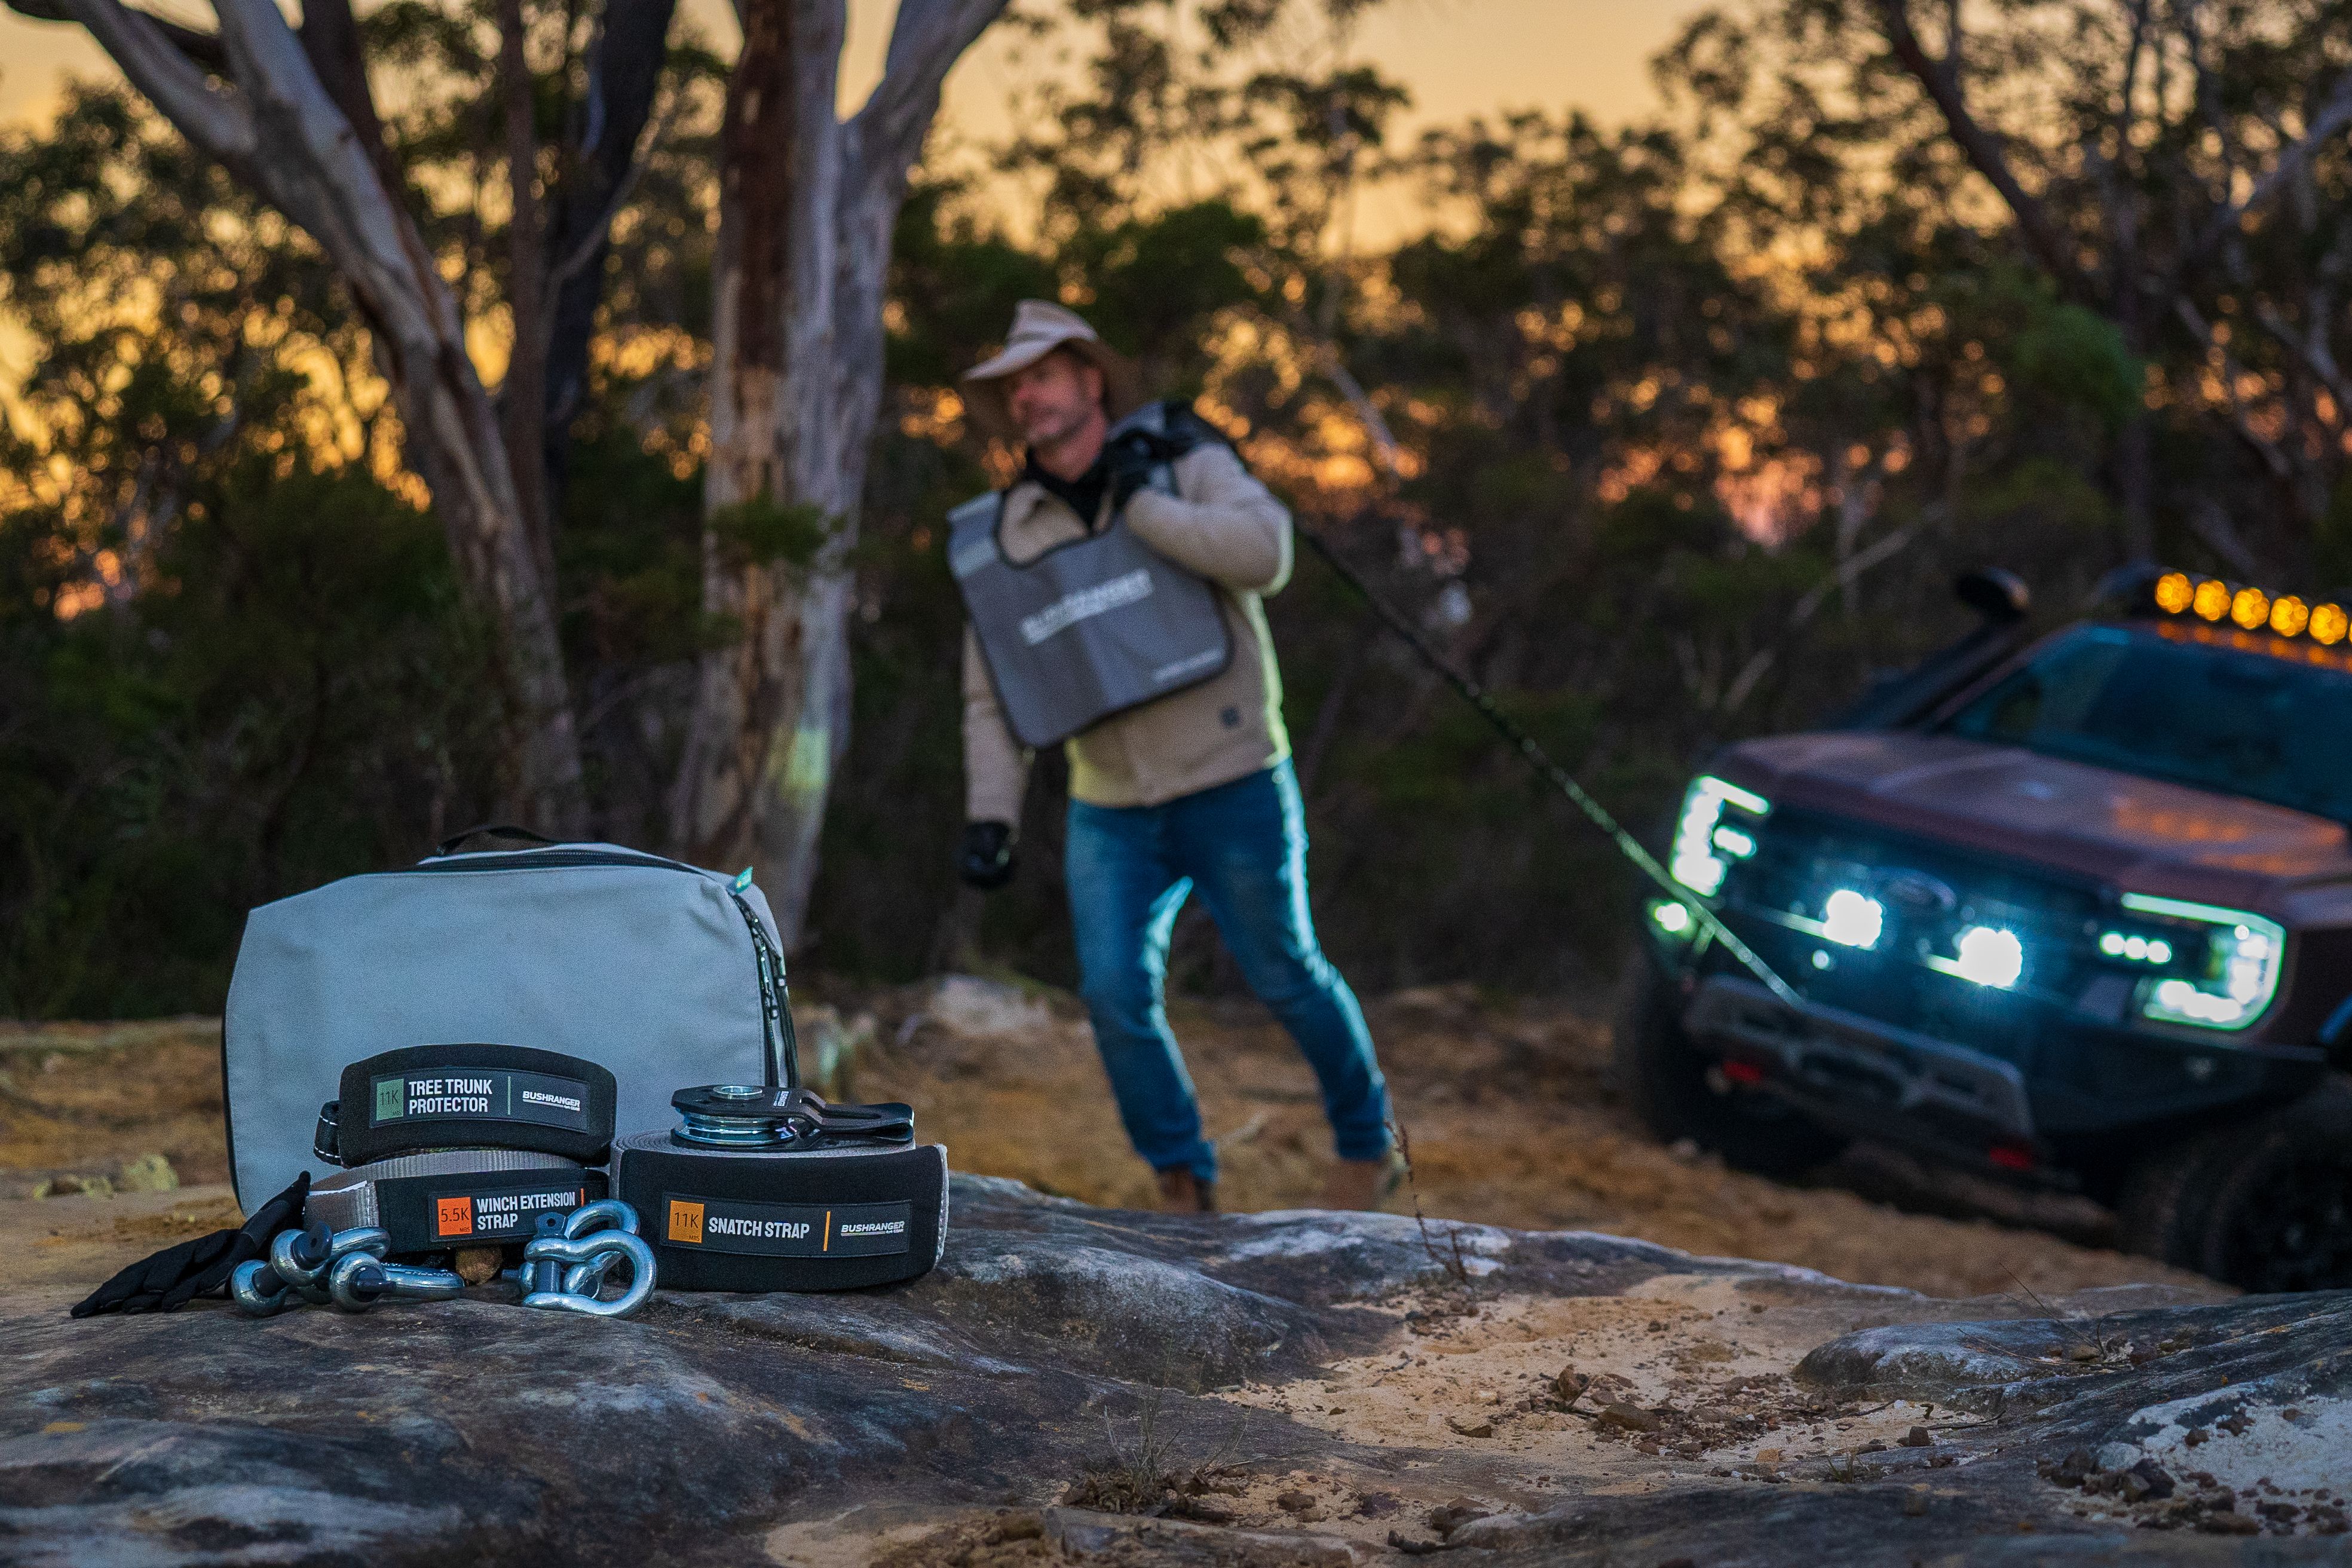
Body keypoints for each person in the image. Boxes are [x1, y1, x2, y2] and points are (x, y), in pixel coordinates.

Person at [947, 299, 1395, 1214]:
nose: (1026, 396)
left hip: (1234, 779)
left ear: (1090, 379)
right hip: (1109, 806)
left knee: (1286, 973)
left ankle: (1366, 1143)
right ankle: (1183, 1185)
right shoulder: (1008, 534)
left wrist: (1144, 504)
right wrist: (992, 814)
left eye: (1041, 374)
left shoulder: (1188, 462)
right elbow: (993, 689)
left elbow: (1265, 553)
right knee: (1115, 997)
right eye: (1013, 386)